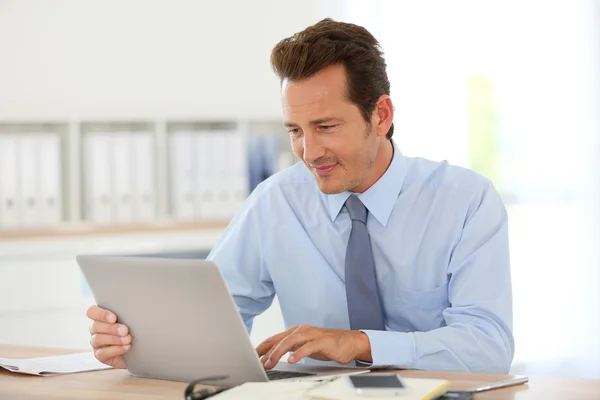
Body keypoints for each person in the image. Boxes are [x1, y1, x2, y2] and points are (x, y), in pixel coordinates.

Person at [87, 18, 514, 374]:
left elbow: (488, 347)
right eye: (295, 131)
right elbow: (210, 323)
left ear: (380, 115)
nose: (309, 153)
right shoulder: (276, 202)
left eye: (326, 127)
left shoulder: (465, 202)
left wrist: (360, 344)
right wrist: (141, 345)